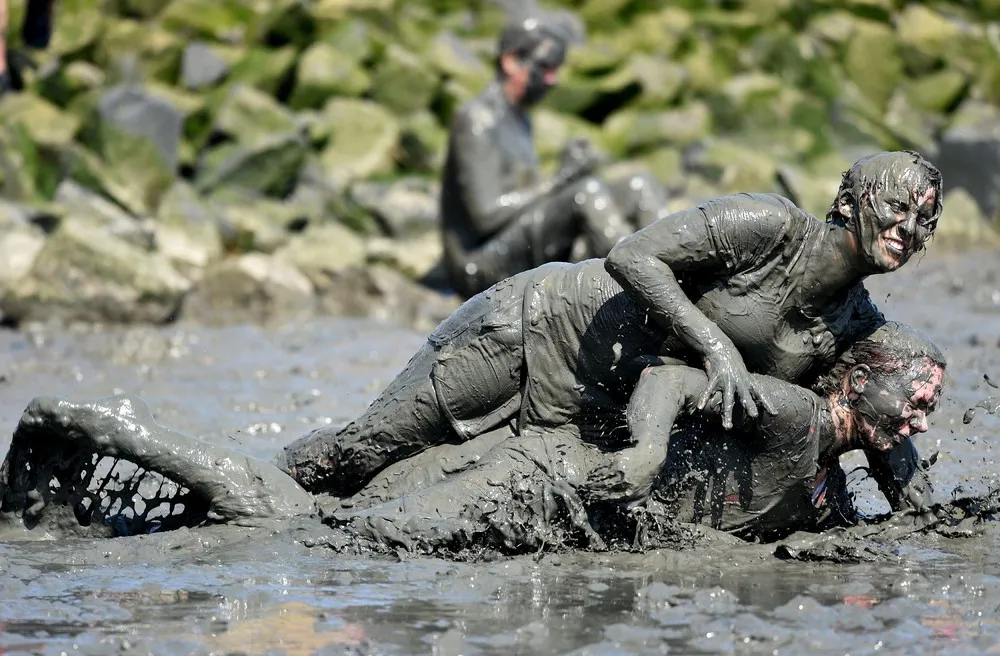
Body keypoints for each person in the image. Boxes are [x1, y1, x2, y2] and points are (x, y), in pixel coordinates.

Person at [279, 150, 943, 506]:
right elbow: (632, 254)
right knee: (362, 452)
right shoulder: (766, 226)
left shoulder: (856, 322)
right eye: (896, 207)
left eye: (923, 222)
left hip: (591, 404)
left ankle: (298, 546)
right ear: (849, 202)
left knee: (410, 488)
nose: (906, 229)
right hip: (537, 328)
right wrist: (716, 344)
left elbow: (882, 404)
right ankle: (250, 491)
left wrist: (927, 517)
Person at [0, 322, 947, 554]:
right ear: (857, 380)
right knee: (325, 537)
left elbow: (903, 519)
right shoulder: (792, 412)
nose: (920, 418)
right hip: (533, 479)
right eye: (915, 396)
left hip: (535, 481)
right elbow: (667, 376)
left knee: (324, 521)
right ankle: (88, 426)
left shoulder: (828, 463)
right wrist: (651, 453)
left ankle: (94, 460)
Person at [440, 16, 670, 299]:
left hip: (516, 240)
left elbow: (527, 197)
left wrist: (568, 172)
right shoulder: (477, 120)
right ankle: (647, 287)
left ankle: (675, 267)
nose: (554, 79)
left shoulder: (520, 120)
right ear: (511, 61)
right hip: (478, 265)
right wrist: (561, 180)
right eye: (545, 68)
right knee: (584, 193)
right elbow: (485, 216)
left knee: (638, 185)